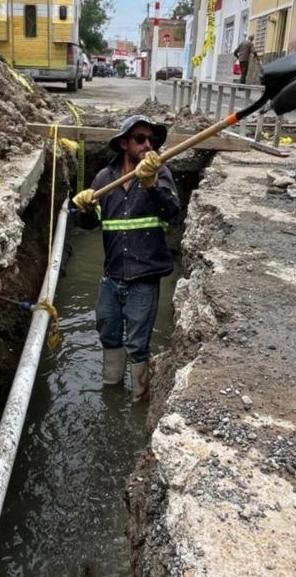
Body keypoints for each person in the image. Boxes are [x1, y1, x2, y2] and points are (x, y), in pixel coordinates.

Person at [71, 115, 181, 401]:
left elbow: (172, 211)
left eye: (151, 140)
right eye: (140, 139)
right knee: (108, 332)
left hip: (144, 277)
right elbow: (90, 224)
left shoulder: (160, 173)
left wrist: (151, 184)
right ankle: (111, 390)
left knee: (137, 344)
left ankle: (139, 398)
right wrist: (84, 208)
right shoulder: (104, 179)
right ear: (124, 143)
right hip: (112, 276)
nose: (148, 144)